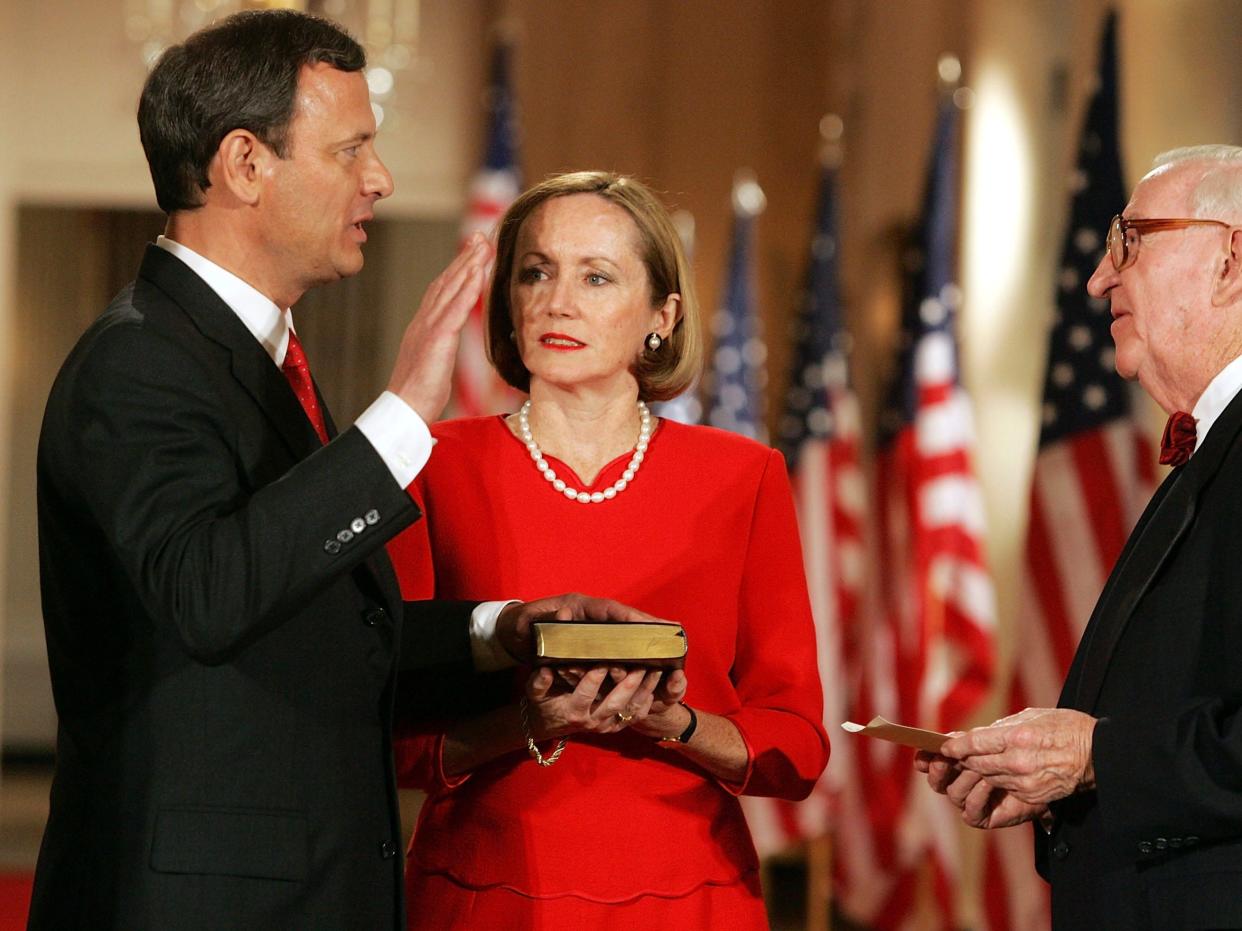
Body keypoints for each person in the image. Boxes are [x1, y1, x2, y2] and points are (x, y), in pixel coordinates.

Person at [31, 12, 645, 930]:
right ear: (245, 165)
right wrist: (401, 419)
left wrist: (503, 630)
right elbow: (210, 592)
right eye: (351, 149)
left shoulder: (253, 356)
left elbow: (312, 632)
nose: (380, 180)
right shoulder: (139, 361)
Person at [385, 171, 830, 929]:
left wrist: (669, 719)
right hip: (484, 896)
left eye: (596, 276)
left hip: (690, 897)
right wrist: (530, 722)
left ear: (663, 313)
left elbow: (795, 746)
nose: (558, 300)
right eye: (536, 271)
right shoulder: (430, 462)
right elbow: (387, 735)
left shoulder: (742, 476)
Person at [917, 145, 1242, 929]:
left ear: (1232, 259)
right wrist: (1055, 775)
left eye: (1129, 241)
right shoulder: (1212, 450)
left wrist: (1097, 758)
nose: (1099, 278)